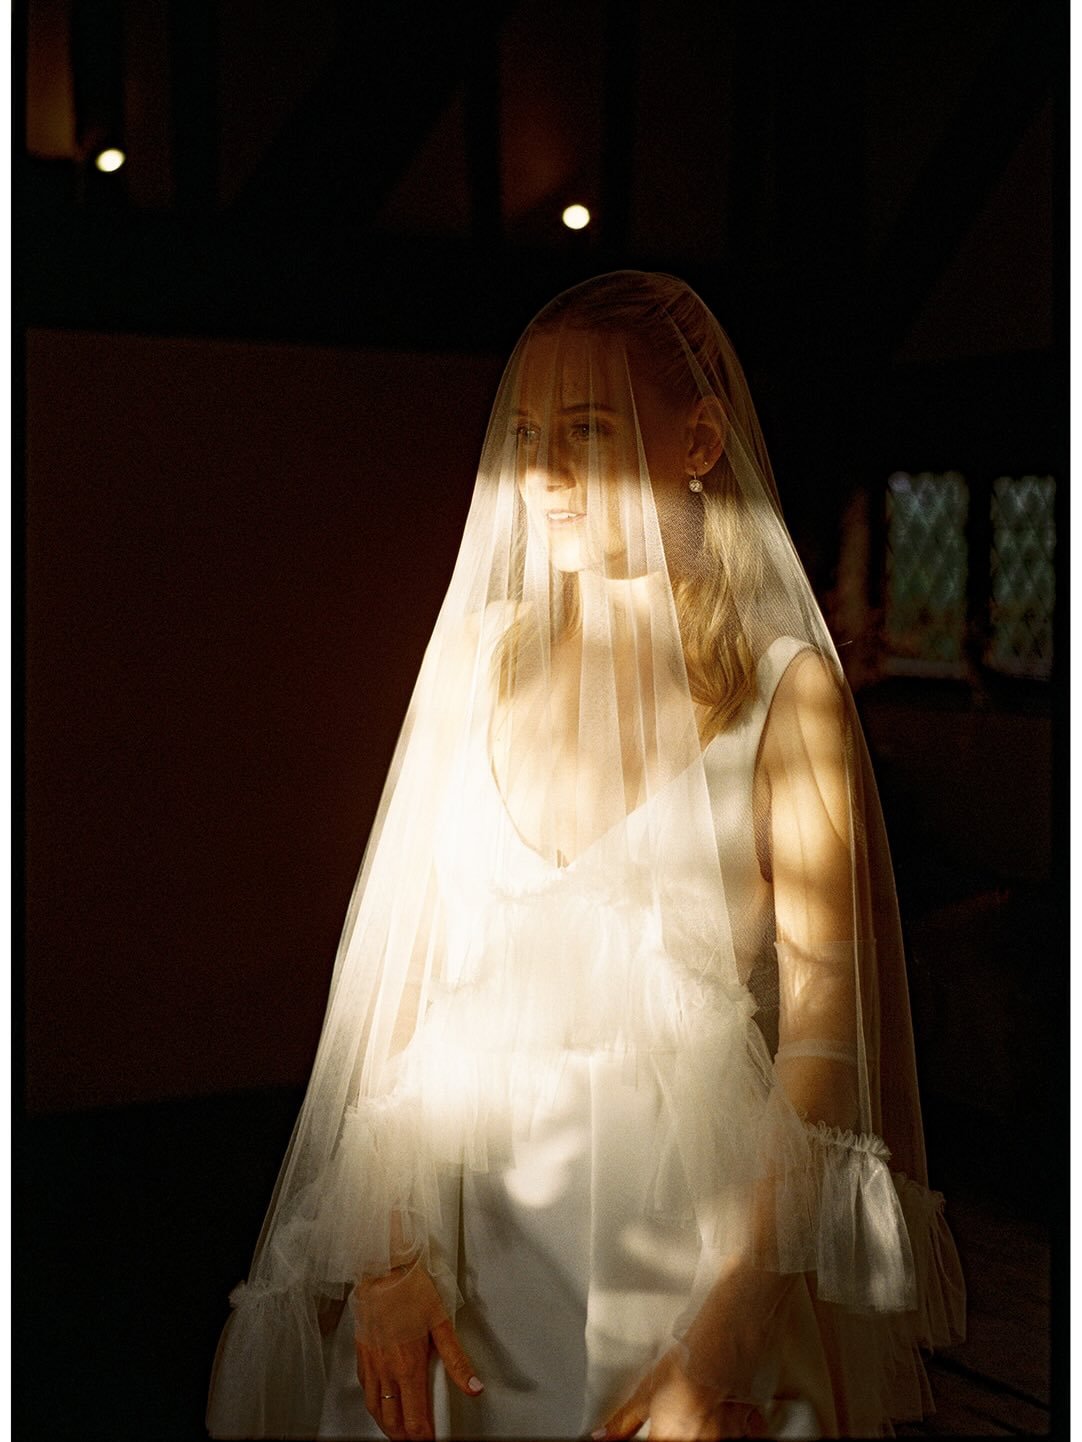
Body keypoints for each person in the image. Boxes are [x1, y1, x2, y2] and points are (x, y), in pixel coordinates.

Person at [206, 272, 965, 1440]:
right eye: (524, 436)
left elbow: (824, 1024)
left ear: (698, 440)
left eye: (588, 432)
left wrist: (726, 1331)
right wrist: (386, 1249)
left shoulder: (782, 694)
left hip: (680, 1245)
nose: (542, 474)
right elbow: (400, 977)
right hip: (458, 1245)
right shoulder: (482, 666)